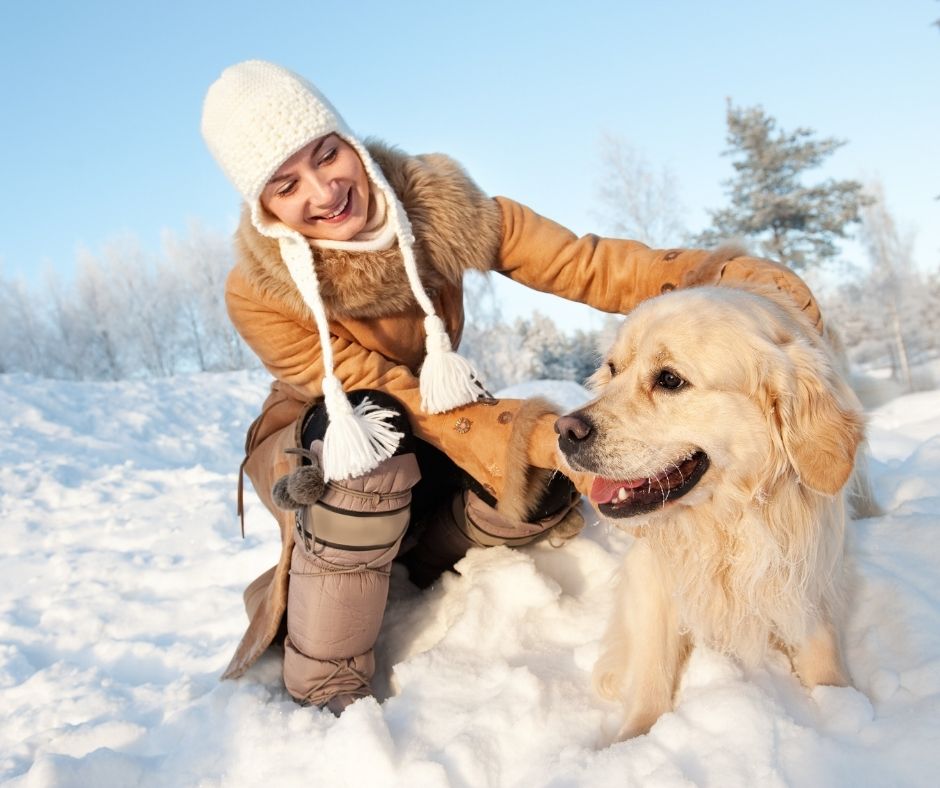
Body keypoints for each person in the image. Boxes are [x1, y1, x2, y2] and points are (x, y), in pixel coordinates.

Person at [200, 60, 822, 714]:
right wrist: (521, 435)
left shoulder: (438, 210)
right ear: (264, 206)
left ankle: (415, 556)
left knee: (545, 487)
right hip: (330, 440)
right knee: (378, 451)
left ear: (349, 143)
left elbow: (583, 263)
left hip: (431, 427)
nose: (324, 192)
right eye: (287, 184)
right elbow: (389, 394)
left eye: (328, 156)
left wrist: (715, 274)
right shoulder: (260, 291)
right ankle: (323, 686)